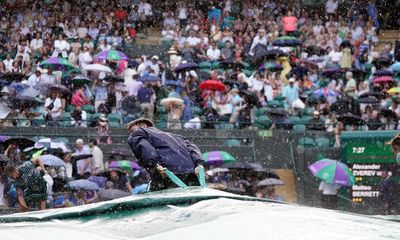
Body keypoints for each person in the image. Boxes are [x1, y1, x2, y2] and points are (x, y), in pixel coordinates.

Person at [127, 118, 205, 191]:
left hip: (167, 175)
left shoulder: (139, 133)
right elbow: (193, 148)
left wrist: (155, 165)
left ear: (144, 125)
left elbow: (145, 148)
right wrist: (199, 163)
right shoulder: (177, 137)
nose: (131, 134)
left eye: (132, 130)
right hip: (191, 174)